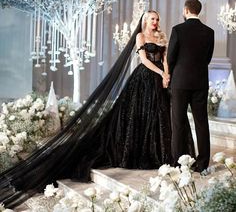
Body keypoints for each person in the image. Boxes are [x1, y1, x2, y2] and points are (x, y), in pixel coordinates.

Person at [0, 11, 194, 208]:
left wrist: (166, 75)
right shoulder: (140, 36)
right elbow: (144, 60)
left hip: (160, 81)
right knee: (140, 117)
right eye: (152, 19)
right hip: (144, 79)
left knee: (159, 117)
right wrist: (161, 71)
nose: (156, 22)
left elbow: (167, 59)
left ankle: (157, 154)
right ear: (145, 21)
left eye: (157, 19)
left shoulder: (161, 36)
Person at [167, 0, 215, 173]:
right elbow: (208, 58)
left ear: (186, 10)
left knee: (178, 123)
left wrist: (170, 74)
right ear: (198, 11)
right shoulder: (209, 32)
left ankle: (179, 164)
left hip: (180, 82)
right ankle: (202, 164)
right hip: (200, 82)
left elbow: (170, 57)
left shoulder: (178, 30)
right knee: (202, 123)